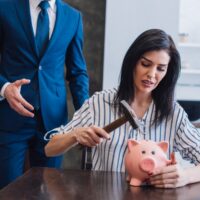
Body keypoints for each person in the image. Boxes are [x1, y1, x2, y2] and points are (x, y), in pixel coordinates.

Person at [45, 29, 200, 188]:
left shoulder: (173, 113)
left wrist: (186, 176)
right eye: (145, 64)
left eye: (161, 68)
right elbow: (50, 149)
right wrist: (75, 135)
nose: (152, 74)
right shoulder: (100, 103)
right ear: (132, 62)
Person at [0, 0, 89, 188]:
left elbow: (77, 72)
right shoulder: (4, 7)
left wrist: (86, 114)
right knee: (7, 189)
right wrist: (5, 87)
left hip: (54, 122)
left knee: (48, 189)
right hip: (10, 115)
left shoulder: (73, 17)